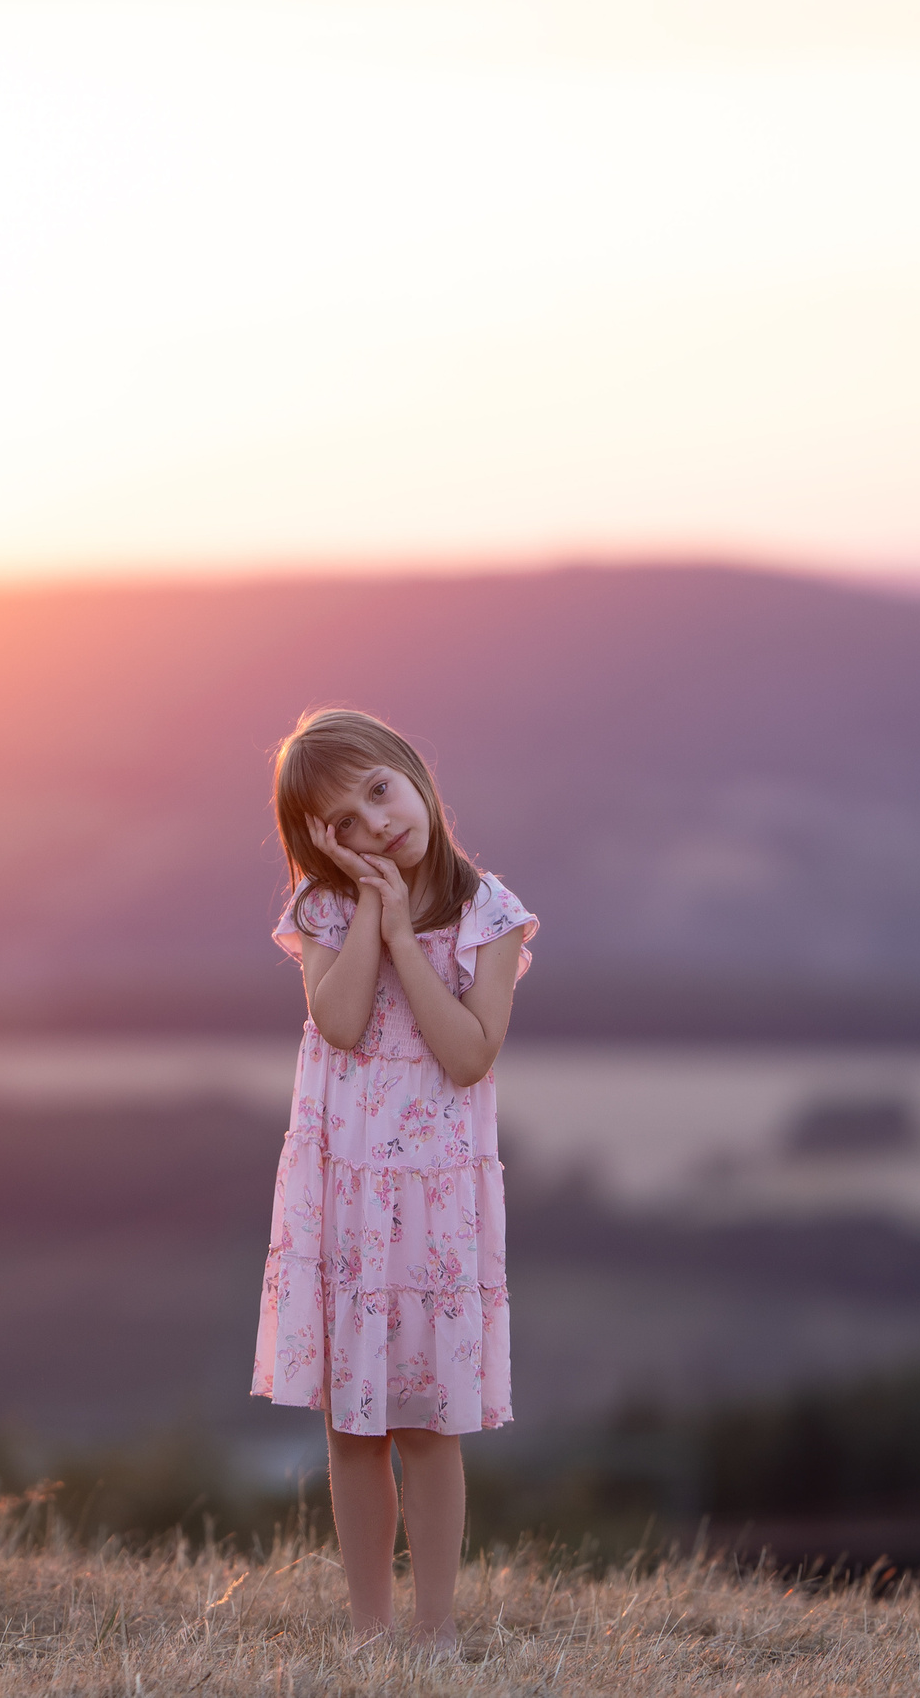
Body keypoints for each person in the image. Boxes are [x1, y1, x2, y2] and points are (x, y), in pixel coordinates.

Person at [252, 706, 537, 1651]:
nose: (378, 824)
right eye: (346, 822)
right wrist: (374, 913)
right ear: (319, 843)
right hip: (343, 1195)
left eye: (379, 790)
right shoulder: (325, 911)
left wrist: (411, 943)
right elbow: (337, 1023)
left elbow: (467, 1054)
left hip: (434, 1201)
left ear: (410, 769)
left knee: (428, 1424)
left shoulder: (487, 911)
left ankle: (437, 1627)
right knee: (351, 1428)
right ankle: (369, 1630)